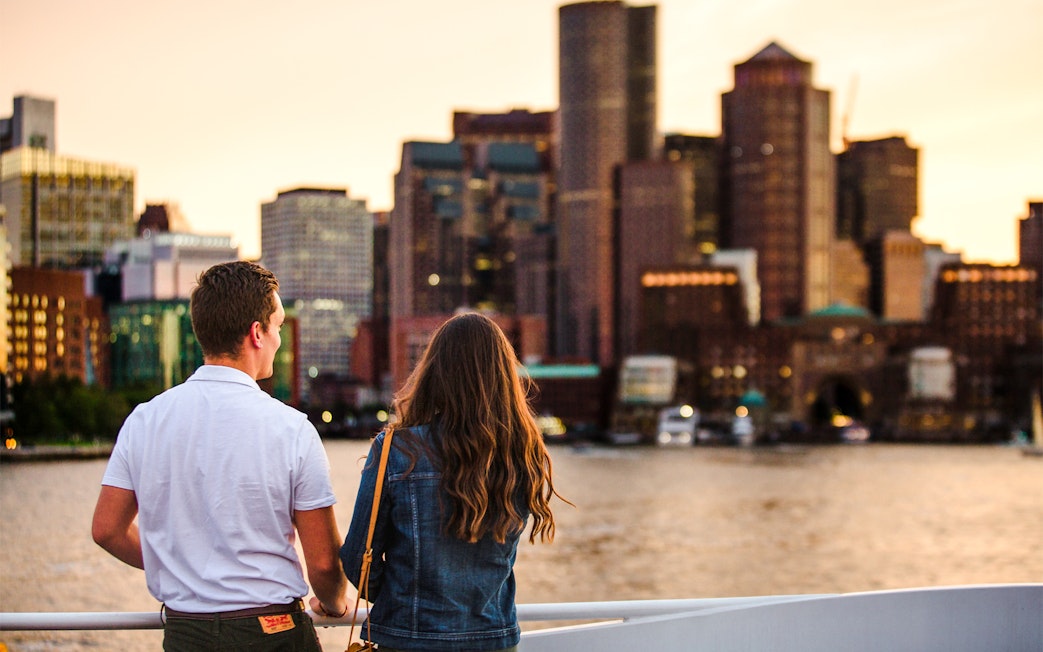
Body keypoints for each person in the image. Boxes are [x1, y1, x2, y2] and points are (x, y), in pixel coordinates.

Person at [92, 261, 347, 651]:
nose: (279, 339)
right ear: (257, 333)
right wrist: (335, 603)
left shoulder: (145, 420)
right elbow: (325, 564)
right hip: (273, 634)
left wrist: (178, 565)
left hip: (185, 636)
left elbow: (107, 529)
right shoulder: (291, 429)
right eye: (277, 327)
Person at [340, 312, 569, 652]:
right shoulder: (521, 451)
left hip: (408, 640)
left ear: (434, 373)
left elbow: (358, 558)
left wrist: (401, 596)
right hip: (493, 639)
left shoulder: (396, 449)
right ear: (503, 376)